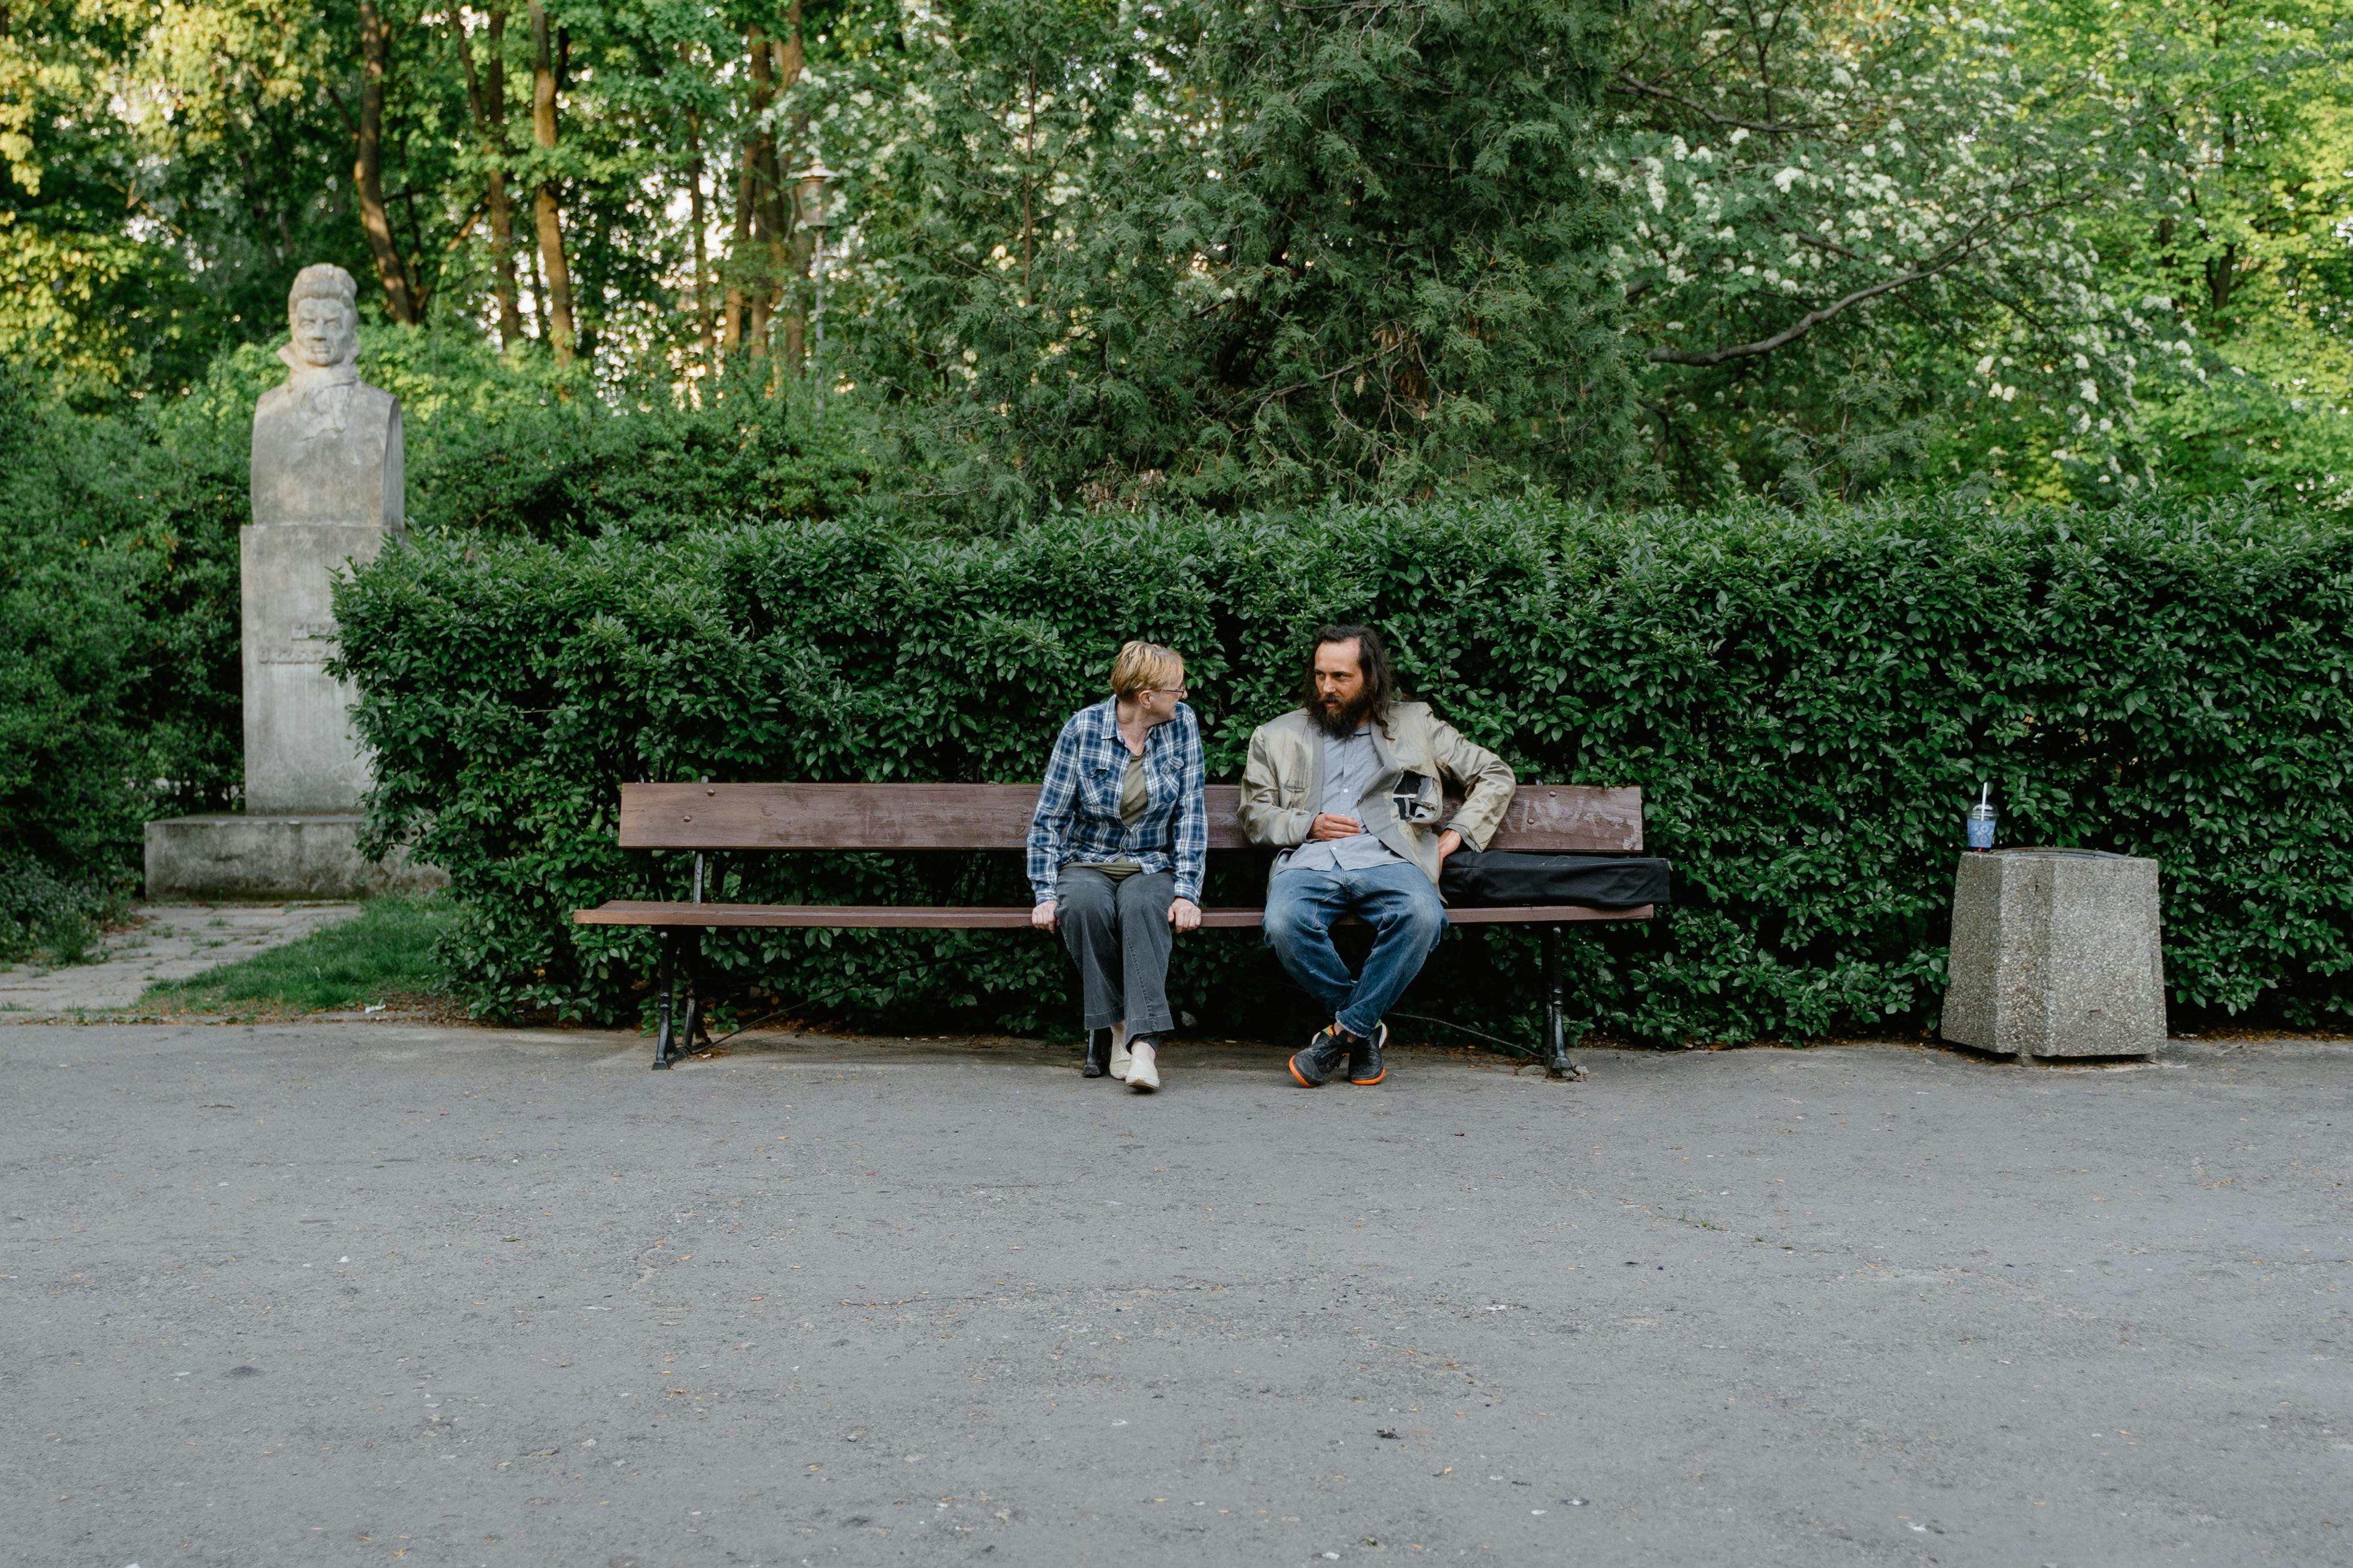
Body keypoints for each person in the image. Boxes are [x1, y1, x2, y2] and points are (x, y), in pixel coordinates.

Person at [1238, 625, 1516, 1087]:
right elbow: (1254, 814)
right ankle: (1363, 1032)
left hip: (1389, 857)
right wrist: (1307, 824)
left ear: (1370, 677)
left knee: (1422, 916)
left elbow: (1494, 773)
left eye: (1341, 677)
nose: (1327, 688)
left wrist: (1457, 836)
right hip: (1310, 860)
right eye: (1321, 675)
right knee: (1284, 923)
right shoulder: (1276, 735)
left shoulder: (1416, 725)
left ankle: (1344, 1031)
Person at [1027, 641, 1206, 1091]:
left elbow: (1192, 815)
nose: (1183, 695)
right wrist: (1045, 893)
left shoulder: (1183, 725)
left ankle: (1144, 1049)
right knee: (1082, 905)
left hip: (1150, 863)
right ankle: (1121, 1029)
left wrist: (1187, 891)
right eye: (1176, 688)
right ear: (1147, 697)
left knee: (1144, 907)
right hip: (1086, 860)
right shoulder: (1082, 729)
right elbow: (1049, 819)